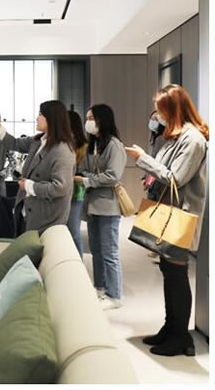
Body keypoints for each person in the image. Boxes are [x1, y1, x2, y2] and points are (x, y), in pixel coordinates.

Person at [125, 84, 208, 357]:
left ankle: (181, 336)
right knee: (168, 271)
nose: (157, 115)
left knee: (176, 275)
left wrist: (143, 159)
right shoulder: (174, 136)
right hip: (170, 211)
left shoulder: (193, 139)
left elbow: (175, 178)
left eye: (160, 109)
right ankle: (170, 327)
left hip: (179, 214)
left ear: (173, 109)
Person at [0, 101, 76, 236]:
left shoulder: (62, 150)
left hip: (46, 217)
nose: (37, 118)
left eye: (40, 114)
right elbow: (14, 143)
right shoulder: (37, 141)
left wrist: (29, 186)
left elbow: (60, 188)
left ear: (52, 118)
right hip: (28, 210)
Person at [75, 104, 126, 311]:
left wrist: (88, 180)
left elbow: (113, 175)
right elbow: (83, 169)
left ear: (102, 120)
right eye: (87, 118)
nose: (88, 122)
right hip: (92, 205)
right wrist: (88, 177)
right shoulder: (92, 145)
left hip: (108, 206)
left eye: (91, 118)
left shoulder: (114, 145)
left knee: (109, 252)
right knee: (96, 250)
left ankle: (115, 295)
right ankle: (100, 288)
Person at [144, 110, 168, 260]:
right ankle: (157, 248)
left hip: (159, 183)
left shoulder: (161, 139)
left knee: (159, 215)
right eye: (152, 118)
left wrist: (147, 179)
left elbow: (154, 162)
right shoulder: (158, 138)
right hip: (157, 181)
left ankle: (158, 248)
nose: (153, 121)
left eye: (156, 119)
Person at [66, 110, 89, 258]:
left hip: (76, 192)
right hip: (61, 192)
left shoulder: (83, 146)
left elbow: (83, 171)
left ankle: (78, 263)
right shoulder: (61, 143)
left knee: (73, 231)